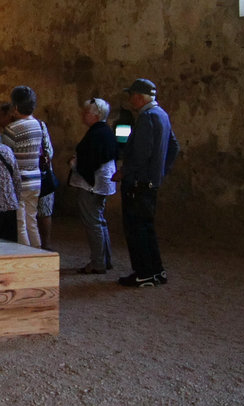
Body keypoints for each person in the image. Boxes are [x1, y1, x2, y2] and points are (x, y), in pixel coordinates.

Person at [113, 78, 179, 288]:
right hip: (150, 183)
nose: (130, 100)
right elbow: (174, 146)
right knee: (147, 228)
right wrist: (160, 172)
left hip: (138, 183)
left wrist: (124, 172)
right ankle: (156, 270)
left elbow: (141, 154)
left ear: (139, 97)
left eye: (132, 95)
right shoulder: (162, 115)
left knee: (136, 230)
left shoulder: (146, 117)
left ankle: (143, 273)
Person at [69, 97, 117, 274]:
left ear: (96, 115)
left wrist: (75, 164)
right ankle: (105, 260)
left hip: (92, 185)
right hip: (101, 183)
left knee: (93, 223)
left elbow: (91, 160)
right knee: (99, 221)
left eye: (86, 112)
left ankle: (98, 263)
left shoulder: (97, 133)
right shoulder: (104, 131)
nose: (83, 115)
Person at [0, 86, 49, 248]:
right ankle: (38, 252)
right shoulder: (38, 125)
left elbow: (5, 156)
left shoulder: (12, 129)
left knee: (20, 223)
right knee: (31, 220)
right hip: (35, 180)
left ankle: (26, 254)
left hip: (19, 181)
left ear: (15, 107)